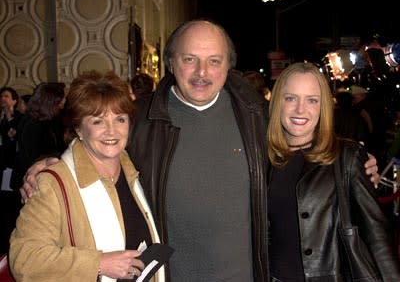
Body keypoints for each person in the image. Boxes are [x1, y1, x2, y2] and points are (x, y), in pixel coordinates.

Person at [20, 20, 379, 281]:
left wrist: (357, 160)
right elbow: (98, 142)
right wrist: (47, 163)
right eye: (190, 59)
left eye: (214, 60)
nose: (202, 72)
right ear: (171, 62)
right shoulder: (143, 120)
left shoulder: (254, 115)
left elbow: (300, 144)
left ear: (228, 65)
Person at [9, 70, 165, 281]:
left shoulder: (136, 173)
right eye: (98, 121)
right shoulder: (53, 184)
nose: (112, 131)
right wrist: (99, 264)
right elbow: (24, 260)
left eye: (120, 119)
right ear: (79, 129)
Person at [267, 62, 400, 281]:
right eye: (290, 98)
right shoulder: (262, 158)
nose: (300, 109)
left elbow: (376, 235)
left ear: (323, 107)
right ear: (277, 102)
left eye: (312, 100)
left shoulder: (347, 157)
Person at [12, 82, 67, 190]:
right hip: (36, 181)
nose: (65, 100)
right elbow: (35, 157)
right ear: (52, 99)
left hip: (42, 177)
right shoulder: (34, 123)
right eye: (63, 97)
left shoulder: (48, 120)